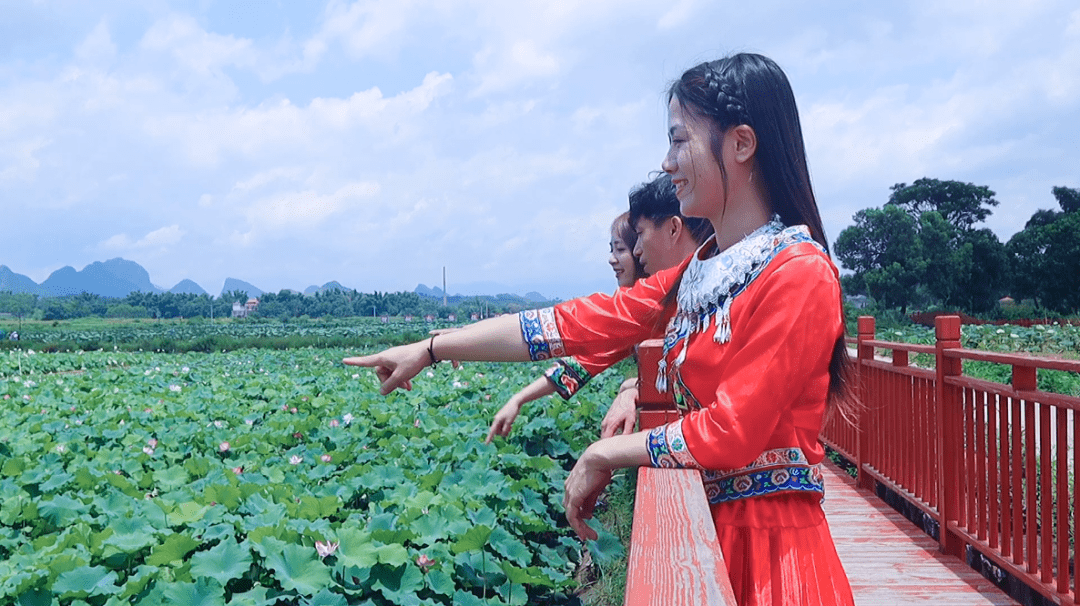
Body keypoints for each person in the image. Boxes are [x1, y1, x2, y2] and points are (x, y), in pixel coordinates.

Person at [346, 53, 855, 605]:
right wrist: (432, 348)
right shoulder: (701, 270)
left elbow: (733, 431)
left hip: (772, 559)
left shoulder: (798, 273)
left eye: (679, 140)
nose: (666, 162)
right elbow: (577, 324)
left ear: (741, 144)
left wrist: (604, 454)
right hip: (706, 534)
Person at [486, 177, 712, 444]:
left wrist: (633, 390)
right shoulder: (646, 305)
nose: (614, 259)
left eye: (622, 248)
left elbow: (571, 328)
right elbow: (583, 363)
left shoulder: (655, 303)